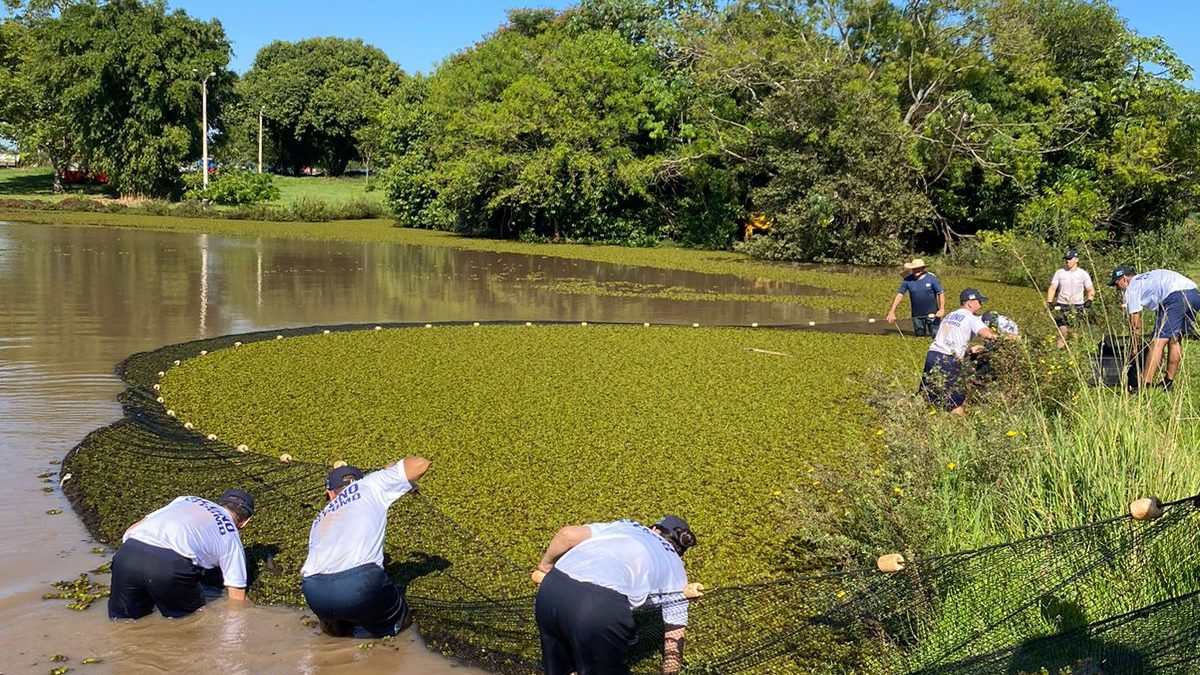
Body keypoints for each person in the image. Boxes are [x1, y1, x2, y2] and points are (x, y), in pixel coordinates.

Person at [533, 515, 698, 675]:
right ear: (680, 549)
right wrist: (671, 671)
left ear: (654, 529)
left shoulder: (626, 525)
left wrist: (545, 566)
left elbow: (567, 535)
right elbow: (674, 631)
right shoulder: (675, 566)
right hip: (598, 607)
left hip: (551, 589)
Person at [300, 457, 430, 637]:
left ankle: (335, 636)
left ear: (330, 494)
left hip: (314, 590)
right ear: (360, 481)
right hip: (359, 584)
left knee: (337, 638)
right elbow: (421, 464)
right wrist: (391, 472)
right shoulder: (369, 484)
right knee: (401, 627)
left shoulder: (320, 518)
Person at [108, 489, 255, 620]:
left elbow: (129, 531)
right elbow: (237, 598)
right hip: (169, 566)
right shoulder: (231, 537)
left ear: (220, 503)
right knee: (189, 622)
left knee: (123, 622)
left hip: (127, 554)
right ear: (245, 522)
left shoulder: (185, 499)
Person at [1107, 266, 1199, 392]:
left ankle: (1144, 386)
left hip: (1174, 296)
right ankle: (1168, 383)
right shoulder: (1145, 278)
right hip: (1194, 293)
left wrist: (1133, 346)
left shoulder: (1132, 288)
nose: (1118, 290)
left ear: (1124, 279)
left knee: (1157, 342)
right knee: (1174, 339)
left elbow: (1135, 324)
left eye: (1117, 285)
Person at [920, 288, 999, 415]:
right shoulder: (971, 317)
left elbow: (948, 339)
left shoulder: (949, 316)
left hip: (932, 355)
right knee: (956, 402)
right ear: (970, 303)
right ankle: (962, 428)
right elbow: (987, 334)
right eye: (979, 301)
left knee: (930, 396)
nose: (981, 305)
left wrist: (968, 350)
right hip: (948, 360)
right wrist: (1004, 338)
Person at [1046, 250, 1095, 348]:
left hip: (1077, 306)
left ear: (1076, 260)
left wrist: (1090, 300)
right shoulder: (1060, 273)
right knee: (1062, 332)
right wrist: (1050, 302)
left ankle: (1075, 355)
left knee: (1075, 333)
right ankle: (1059, 355)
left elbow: (1090, 289)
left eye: (1069, 259)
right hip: (1062, 305)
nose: (1067, 261)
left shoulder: (1083, 274)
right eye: (1066, 259)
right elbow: (1052, 288)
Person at [886, 258, 945, 337]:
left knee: (936, 336)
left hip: (933, 314)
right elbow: (899, 295)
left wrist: (941, 309)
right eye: (914, 268)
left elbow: (940, 293)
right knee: (919, 338)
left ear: (923, 268)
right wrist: (892, 311)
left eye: (919, 268)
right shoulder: (907, 280)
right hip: (916, 316)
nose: (916, 270)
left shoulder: (932, 278)